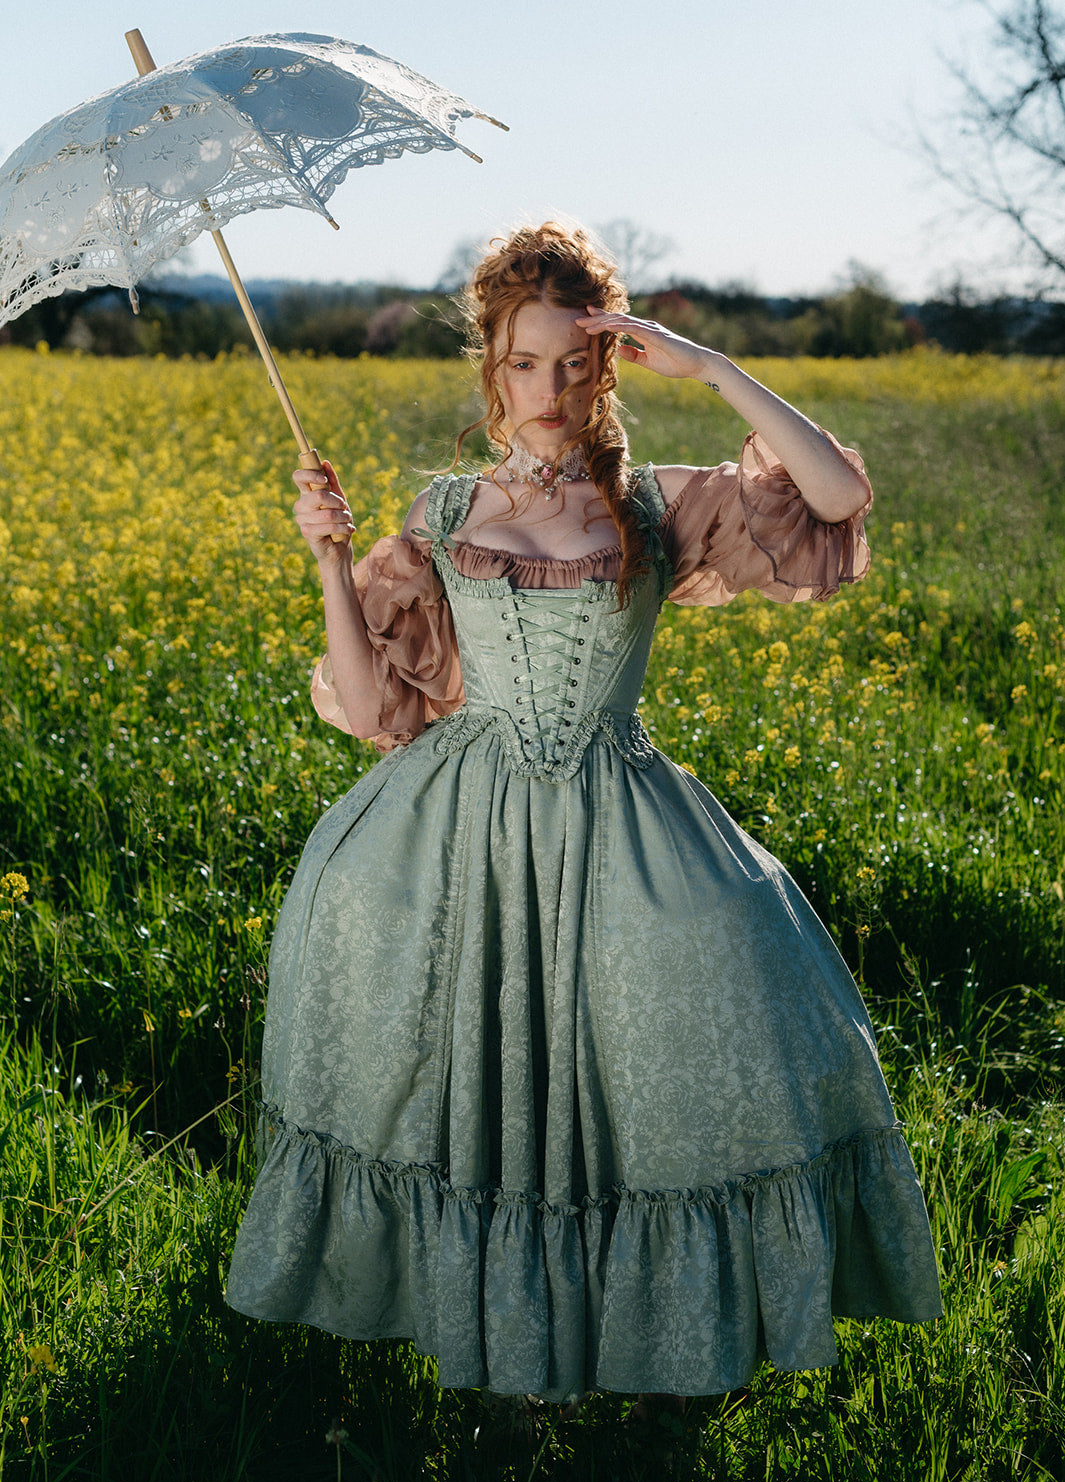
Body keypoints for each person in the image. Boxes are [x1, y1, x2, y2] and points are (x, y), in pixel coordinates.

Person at [225, 222, 942, 1411]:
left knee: (650, 1073)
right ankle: (477, 1337)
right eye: (522, 363)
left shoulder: (658, 507)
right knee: (472, 1090)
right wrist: (329, 557)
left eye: (572, 364)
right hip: (456, 824)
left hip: (621, 816)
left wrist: (707, 366)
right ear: (489, 367)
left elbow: (838, 494)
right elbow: (367, 705)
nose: (547, 392)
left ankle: (630, 1340)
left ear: (608, 365)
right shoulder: (446, 506)